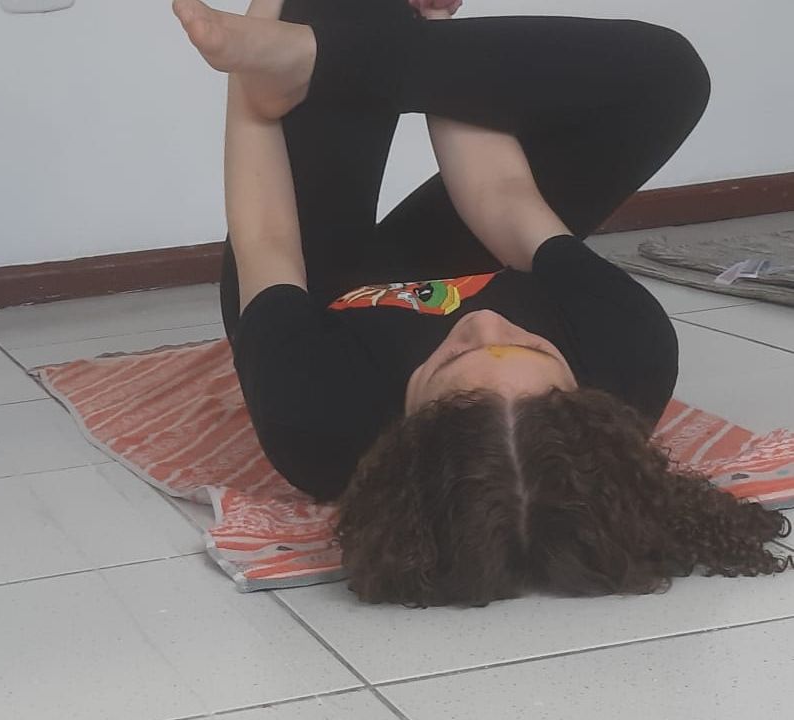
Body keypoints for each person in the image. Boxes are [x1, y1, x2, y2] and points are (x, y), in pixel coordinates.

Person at [173, 0, 793, 607]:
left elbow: (266, 238)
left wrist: (252, 58)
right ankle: (315, 55)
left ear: (406, 433)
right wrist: (439, 40)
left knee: (350, 11)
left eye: (451, 358)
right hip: (461, 247)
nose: (484, 320)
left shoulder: (315, 418)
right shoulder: (627, 350)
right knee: (666, 77)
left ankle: (306, 54)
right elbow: (504, 197)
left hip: (313, 282)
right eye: (530, 345)